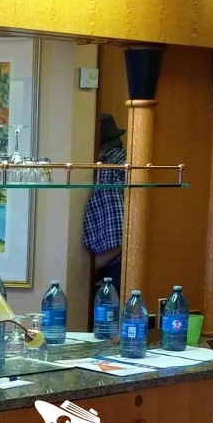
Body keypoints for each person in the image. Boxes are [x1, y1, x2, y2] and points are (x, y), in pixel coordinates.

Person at [82, 113, 127, 296]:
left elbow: (119, 237)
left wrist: (94, 266)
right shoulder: (126, 161)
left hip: (115, 269)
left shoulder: (108, 171)